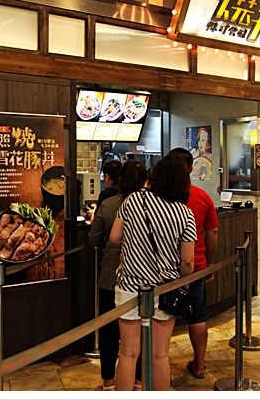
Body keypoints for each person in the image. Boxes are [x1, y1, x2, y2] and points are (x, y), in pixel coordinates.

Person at [109, 154, 196, 391]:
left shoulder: (134, 200)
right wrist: (184, 285)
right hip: (165, 289)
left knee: (128, 353)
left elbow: (114, 237)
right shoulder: (185, 214)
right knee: (159, 354)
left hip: (129, 286)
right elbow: (187, 261)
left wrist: (135, 244)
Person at [89, 160, 147, 391]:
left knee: (109, 331)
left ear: (120, 179)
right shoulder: (153, 205)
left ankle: (109, 382)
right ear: (145, 181)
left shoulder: (109, 204)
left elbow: (94, 239)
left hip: (111, 277)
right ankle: (139, 381)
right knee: (142, 330)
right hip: (143, 277)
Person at [168, 148, 218, 379]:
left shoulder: (158, 198)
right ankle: (199, 364)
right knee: (197, 315)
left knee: (162, 317)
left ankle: (158, 363)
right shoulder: (202, 196)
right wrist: (209, 262)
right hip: (196, 267)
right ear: (190, 169)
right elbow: (212, 232)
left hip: (164, 269)